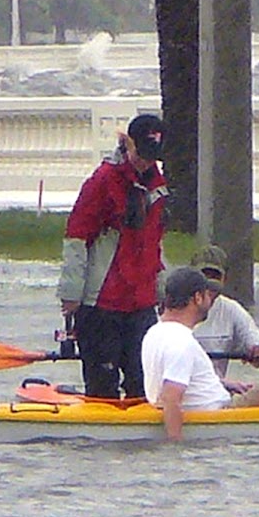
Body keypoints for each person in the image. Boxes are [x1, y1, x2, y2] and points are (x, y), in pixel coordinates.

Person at [58, 113, 170, 398]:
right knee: (102, 386)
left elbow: (155, 244)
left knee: (144, 385)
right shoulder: (103, 181)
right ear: (127, 144)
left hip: (141, 303)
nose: (146, 162)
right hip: (101, 304)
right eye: (141, 154)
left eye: (152, 156)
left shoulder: (157, 186)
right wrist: (71, 294)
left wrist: (161, 293)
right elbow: (76, 239)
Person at [142, 267, 259, 441]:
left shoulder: (154, 332)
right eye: (207, 295)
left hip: (210, 401)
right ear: (197, 298)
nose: (211, 301)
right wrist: (175, 445)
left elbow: (174, 382)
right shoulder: (181, 341)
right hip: (221, 411)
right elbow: (170, 398)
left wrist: (221, 383)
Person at [188, 244, 259, 391]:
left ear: (224, 278)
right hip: (186, 395)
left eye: (215, 277)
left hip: (216, 396)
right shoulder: (175, 310)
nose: (209, 283)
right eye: (204, 275)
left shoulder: (232, 310)